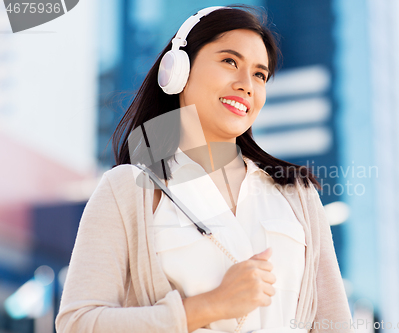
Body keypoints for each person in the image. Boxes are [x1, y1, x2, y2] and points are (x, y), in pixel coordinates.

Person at [55, 5, 354, 333]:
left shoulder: (297, 194)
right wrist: (208, 307)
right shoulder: (128, 188)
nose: (246, 84)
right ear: (178, 71)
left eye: (260, 74)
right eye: (230, 61)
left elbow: (335, 324)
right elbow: (78, 323)